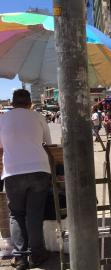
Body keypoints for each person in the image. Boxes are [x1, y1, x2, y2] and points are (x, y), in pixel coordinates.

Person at [0, 89, 52, 270]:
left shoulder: (2, 119)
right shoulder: (38, 117)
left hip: (13, 173)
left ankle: (20, 258)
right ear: (29, 103)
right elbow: (48, 143)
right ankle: (37, 255)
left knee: (16, 214)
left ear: (12, 103)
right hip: (39, 170)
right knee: (34, 215)